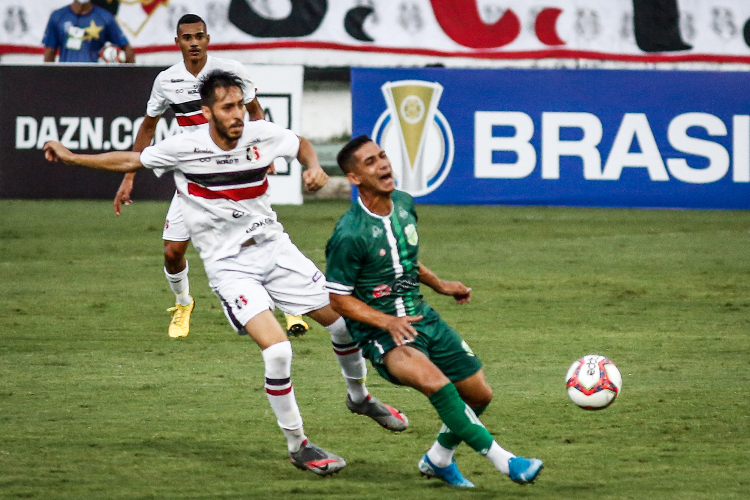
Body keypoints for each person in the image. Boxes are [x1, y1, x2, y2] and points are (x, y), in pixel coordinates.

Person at [43, 70, 408, 475]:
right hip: (230, 267)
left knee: (343, 326)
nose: (238, 114)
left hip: (276, 250)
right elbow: (132, 159)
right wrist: (71, 156)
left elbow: (300, 143)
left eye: (239, 105)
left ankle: (359, 398)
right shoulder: (185, 146)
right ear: (207, 112)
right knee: (279, 350)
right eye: (228, 107)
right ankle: (298, 445)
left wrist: (311, 167)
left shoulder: (260, 134)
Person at [325, 135, 544, 488]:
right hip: (383, 334)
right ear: (354, 178)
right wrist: (386, 321)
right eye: (370, 162)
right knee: (439, 386)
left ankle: (438, 459)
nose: (382, 164)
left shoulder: (404, 204)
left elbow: (406, 260)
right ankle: (508, 463)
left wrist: (440, 284)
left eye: (382, 156)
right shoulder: (349, 233)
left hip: (422, 316)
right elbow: (338, 299)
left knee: (479, 394)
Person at [113, 13, 307, 340]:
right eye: (186, 37)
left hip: (234, 173)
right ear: (177, 42)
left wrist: (265, 153)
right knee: (172, 252)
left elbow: (256, 112)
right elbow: (149, 126)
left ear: (207, 39)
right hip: (195, 179)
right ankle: (183, 303)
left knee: (260, 236)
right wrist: (129, 177)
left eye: (198, 36)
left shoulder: (230, 71)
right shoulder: (166, 81)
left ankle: (292, 307)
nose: (193, 43)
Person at [43, 0, 135, 63]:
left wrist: (129, 78)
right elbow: (50, 52)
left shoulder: (105, 17)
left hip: (94, 78)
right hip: (66, 77)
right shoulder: (58, 17)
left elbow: (127, 48)